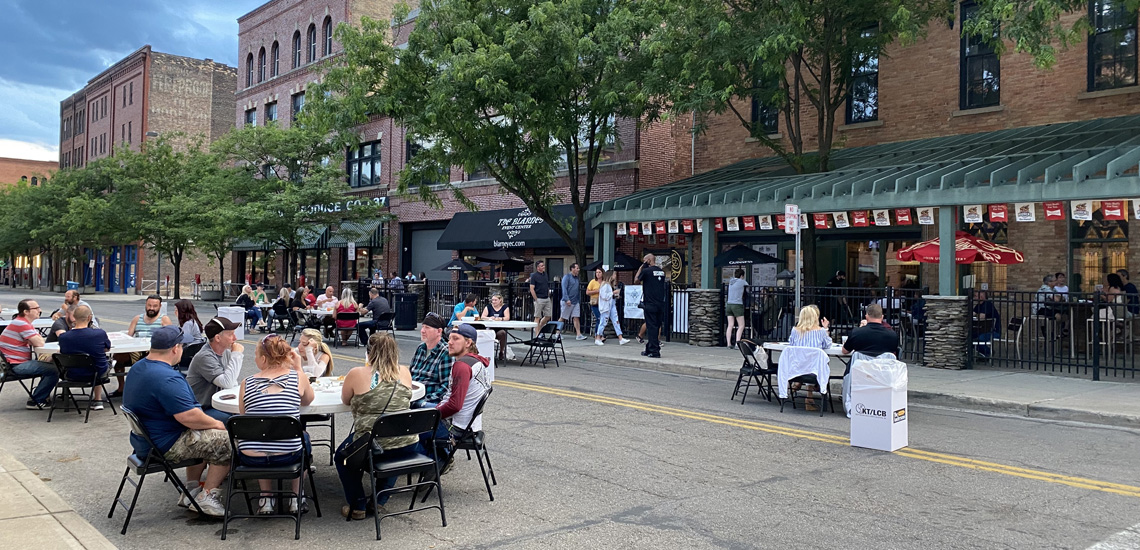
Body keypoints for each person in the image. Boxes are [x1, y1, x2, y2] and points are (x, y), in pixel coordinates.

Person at [122, 326, 230, 517]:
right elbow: (189, 417)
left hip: (145, 441)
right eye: (182, 346)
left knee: (207, 435)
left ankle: (191, 490)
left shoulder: (139, 367)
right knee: (229, 440)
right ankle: (208, 496)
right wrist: (217, 425)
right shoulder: (167, 378)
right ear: (175, 349)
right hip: (165, 444)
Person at [335, 333, 419, 520]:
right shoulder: (404, 371)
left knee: (342, 458)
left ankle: (357, 506)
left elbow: (345, 400)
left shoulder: (357, 373)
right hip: (406, 442)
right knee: (393, 444)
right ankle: (379, 500)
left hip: (372, 444)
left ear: (368, 353)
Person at [237, 333, 314, 515]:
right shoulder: (297, 378)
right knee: (304, 437)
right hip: (288, 455)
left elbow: (245, 417)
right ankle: (296, 496)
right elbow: (308, 400)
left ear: (263, 359)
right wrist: (298, 368)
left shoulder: (246, 383)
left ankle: (266, 497)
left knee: (260, 433)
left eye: (255, 356)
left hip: (251, 456)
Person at [425, 324, 490, 471]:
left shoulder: (462, 366)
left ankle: (439, 461)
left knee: (410, 428)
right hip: (471, 424)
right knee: (419, 408)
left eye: (455, 338)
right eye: (449, 338)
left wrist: (434, 415)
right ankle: (437, 459)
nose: (449, 342)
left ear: (468, 343)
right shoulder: (476, 361)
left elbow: (455, 405)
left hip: (457, 428)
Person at [841, 304, 900, 418]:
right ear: (882, 317)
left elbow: (844, 351)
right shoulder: (892, 335)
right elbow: (892, 355)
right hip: (883, 375)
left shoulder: (858, 332)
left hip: (860, 374)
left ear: (866, 316)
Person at [0, 299, 59, 409]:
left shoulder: (21, 322)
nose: (39, 310)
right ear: (26, 312)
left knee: (49, 365)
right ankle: (36, 400)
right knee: (54, 370)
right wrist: (36, 338)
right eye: (36, 308)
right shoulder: (21, 324)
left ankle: (42, 395)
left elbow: (38, 342)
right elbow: (40, 342)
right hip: (15, 365)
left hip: (14, 362)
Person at [186, 317, 244, 422]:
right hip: (201, 408)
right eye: (231, 334)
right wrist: (237, 354)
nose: (235, 338)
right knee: (235, 422)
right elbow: (227, 382)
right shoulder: (205, 357)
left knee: (246, 414)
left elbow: (232, 381)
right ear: (217, 338)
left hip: (217, 404)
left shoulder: (225, 352)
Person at [57, 305, 111, 409]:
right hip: (96, 373)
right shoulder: (99, 334)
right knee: (98, 361)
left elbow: (63, 352)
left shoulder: (64, 337)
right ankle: (98, 400)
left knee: (93, 361)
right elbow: (107, 348)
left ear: (74, 318)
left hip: (72, 374)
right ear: (89, 318)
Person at [788, 305, 831, 411]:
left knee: (808, 362)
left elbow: (791, 344)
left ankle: (800, 387)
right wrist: (826, 328)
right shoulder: (820, 331)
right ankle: (809, 398)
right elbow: (828, 345)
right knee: (816, 363)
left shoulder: (795, 330)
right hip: (813, 369)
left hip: (797, 367)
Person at [409, 313, 453, 407]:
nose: (422, 331)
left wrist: (424, 399)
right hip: (411, 395)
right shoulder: (420, 348)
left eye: (427, 328)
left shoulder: (445, 352)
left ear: (439, 331)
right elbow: (410, 374)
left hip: (428, 401)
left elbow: (446, 386)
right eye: (422, 327)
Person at [636, 254, 668, 358]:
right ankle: (649, 348)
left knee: (651, 327)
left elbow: (636, 280)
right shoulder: (662, 272)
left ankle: (654, 351)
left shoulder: (646, 271)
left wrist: (641, 267)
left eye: (644, 260)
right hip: (660, 304)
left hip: (650, 304)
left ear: (648, 260)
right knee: (656, 325)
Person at [595, 270, 630, 346]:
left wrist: (614, 296)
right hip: (606, 307)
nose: (615, 276)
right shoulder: (605, 285)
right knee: (603, 322)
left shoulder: (610, 285)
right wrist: (613, 293)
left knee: (616, 321)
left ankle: (620, 338)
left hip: (611, 305)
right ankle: (598, 337)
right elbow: (604, 296)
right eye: (614, 274)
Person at [559, 263, 585, 340]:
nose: (578, 270)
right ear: (572, 269)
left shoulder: (577, 278)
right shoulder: (567, 277)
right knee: (563, 317)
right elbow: (564, 288)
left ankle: (578, 334)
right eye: (577, 268)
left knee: (576, 317)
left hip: (575, 301)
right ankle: (557, 333)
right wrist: (566, 299)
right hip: (568, 301)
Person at [482, 293, 511, 361]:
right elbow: (483, 317)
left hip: (500, 328)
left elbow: (507, 317)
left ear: (500, 300)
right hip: (490, 328)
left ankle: (501, 351)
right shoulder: (488, 307)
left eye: (495, 300)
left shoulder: (505, 307)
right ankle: (488, 352)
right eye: (492, 300)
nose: (494, 302)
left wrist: (500, 319)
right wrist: (489, 318)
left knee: (503, 333)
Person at [972, 290, 1000, 359]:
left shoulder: (987, 304)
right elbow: (972, 314)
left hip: (993, 331)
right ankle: (978, 355)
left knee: (980, 339)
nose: (974, 298)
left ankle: (988, 352)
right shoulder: (978, 305)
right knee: (969, 337)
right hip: (983, 329)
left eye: (975, 296)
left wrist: (976, 316)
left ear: (981, 297)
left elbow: (981, 317)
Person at [725, 268, 748, 348]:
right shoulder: (742, 282)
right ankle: (737, 343)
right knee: (741, 325)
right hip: (737, 304)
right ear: (742, 276)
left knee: (730, 325)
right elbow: (748, 286)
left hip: (729, 304)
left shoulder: (731, 282)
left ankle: (728, 343)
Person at [529, 261, 552, 336]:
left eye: (543, 265)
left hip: (546, 297)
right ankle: (537, 334)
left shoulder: (545, 274)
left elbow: (547, 285)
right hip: (539, 298)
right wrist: (536, 299)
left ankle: (540, 327)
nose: (543, 267)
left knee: (548, 316)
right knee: (537, 316)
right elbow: (532, 288)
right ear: (538, 267)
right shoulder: (534, 276)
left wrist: (548, 294)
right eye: (542, 266)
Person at [586, 267, 604, 337]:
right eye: (597, 272)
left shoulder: (604, 282)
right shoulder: (593, 282)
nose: (598, 274)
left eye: (599, 272)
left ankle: (601, 334)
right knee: (598, 318)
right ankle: (597, 334)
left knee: (603, 319)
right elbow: (587, 292)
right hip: (595, 302)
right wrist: (596, 291)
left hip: (602, 302)